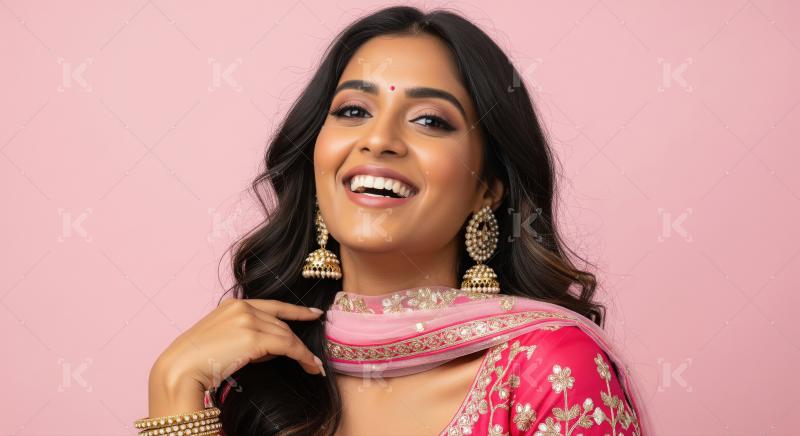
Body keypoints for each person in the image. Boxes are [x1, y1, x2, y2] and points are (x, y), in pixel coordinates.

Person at [138, 6, 653, 436]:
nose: (379, 139)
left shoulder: (550, 369)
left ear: (486, 188)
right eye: (353, 111)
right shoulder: (258, 380)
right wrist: (174, 391)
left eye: (430, 120)